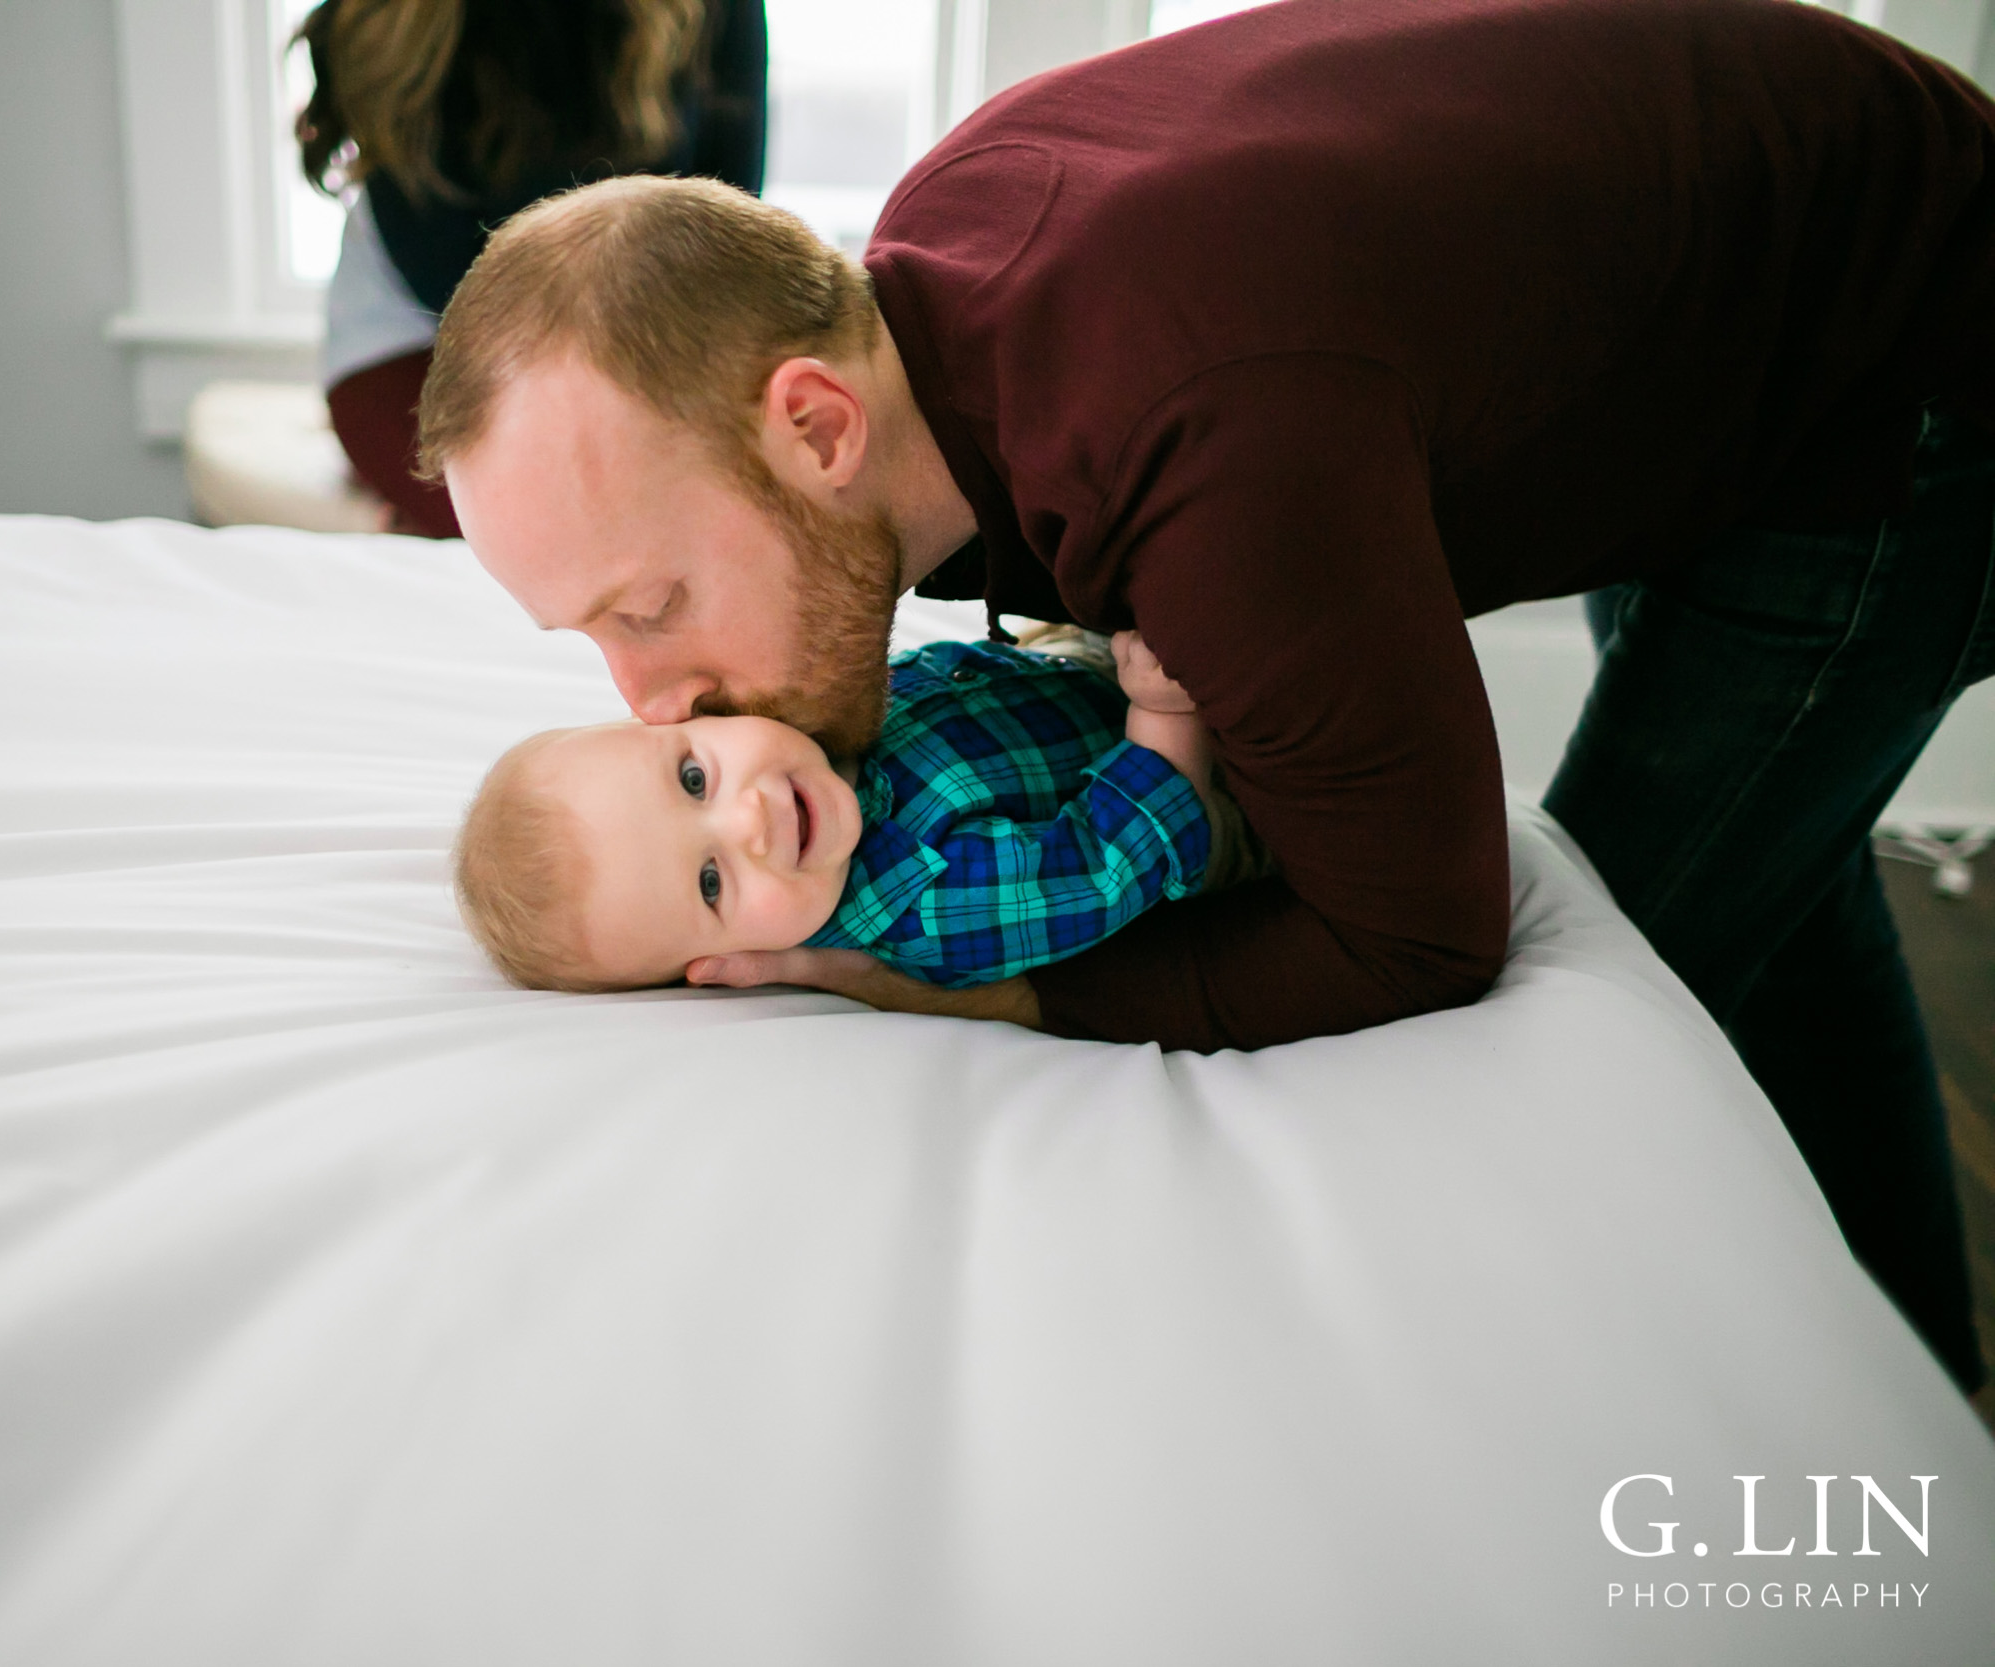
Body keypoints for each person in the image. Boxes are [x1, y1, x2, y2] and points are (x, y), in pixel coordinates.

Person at [417, 0, 1995, 1396]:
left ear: (818, 425)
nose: (650, 698)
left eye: (648, 606)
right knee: (1786, 863)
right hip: (1719, 285)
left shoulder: (1196, 439)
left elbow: (1420, 936)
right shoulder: (936, 283)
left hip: (1903, 345)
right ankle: (1935, 1392)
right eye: (593, 642)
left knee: (1618, 983)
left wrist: (993, 996)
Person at [455, 632, 1242, 991]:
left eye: (694, 779)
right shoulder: (926, 904)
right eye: (708, 882)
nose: (750, 822)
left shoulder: (822, 730)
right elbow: (1113, 860)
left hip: (1099, 676)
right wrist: (1161, 713)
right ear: (723, 965)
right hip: (1218, 774)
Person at [290, 0, 766, 536]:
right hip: (418, 342)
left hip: (640, 336)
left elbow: (726, 216)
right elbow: (444, 264)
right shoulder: (402, 21)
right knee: (575, 529)